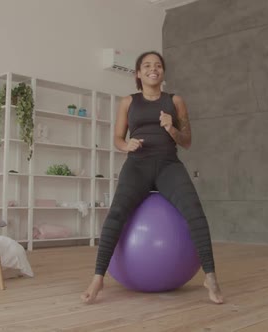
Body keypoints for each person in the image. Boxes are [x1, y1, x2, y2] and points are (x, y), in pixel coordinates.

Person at [81, 51, 224, 304]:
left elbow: (187, 141)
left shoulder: (175, 101)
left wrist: (171, 128)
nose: (153, 69)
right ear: (138, 73)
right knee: (116, 214)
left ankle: (210, 276)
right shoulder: (128, 102)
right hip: (137, 165)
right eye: (146, 65)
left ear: (163, 72)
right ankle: (98, 277)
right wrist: (126, 146)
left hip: (169, 165)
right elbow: (117, 137)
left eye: (158, 65)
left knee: (195, 212)